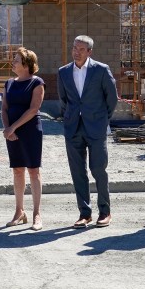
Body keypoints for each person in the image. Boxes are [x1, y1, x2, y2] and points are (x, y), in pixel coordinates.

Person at [57, 35, 118, 228]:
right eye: (74, 48)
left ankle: (105, 212)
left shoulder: (101, 70)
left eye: (81, 49)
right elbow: (64, 100)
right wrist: (69, 117)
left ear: (89, 51)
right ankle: (84, 213)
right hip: (73, 127)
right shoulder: (63, 72)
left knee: (98, 169)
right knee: (78, 172)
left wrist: (102, 119)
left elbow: (112, 98)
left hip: (96, 127)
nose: (76, 52)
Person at [1, 47, 45, 231]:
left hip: (30, 131)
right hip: (12, 133)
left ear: (26, 64)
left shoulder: (37, 82)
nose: (13, 62)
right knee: (17, 171)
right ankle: (19, 212)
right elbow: (4, 108)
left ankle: (37, 214)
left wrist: (13, 127)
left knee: (33, 171)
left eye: (17, 60)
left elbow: (34, 109)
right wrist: (7, 129)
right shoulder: (9, 83)